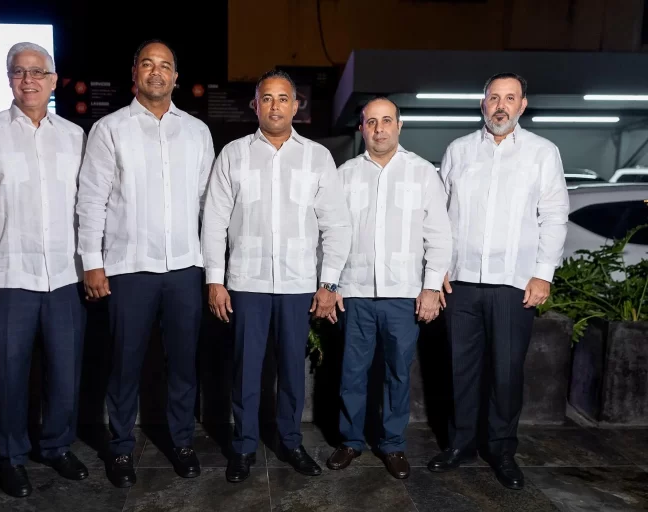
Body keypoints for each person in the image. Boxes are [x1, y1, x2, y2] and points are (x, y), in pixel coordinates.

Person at [0, 42, 88, 498]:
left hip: (65, 276)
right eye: (19, 72)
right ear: (9, 79)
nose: (28, 80)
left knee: (65, 374)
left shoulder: (75, 136)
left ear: (53, 80)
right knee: (8, 374)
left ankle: (56, 445)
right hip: (6, 277)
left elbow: (89, 208)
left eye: (37, 72)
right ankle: (10, 456)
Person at [76, 39, 214, 488]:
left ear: (176, 77)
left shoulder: (197, 132)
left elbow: (207, 204)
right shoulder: (109, 129)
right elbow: (91, 200)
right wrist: (92, 261)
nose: (157, 72)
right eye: (148, 64)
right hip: (128, 267)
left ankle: (182, 442)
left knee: (183, 364)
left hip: (185, 268)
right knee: (124, 363)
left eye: (165, 65)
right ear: (134, 72)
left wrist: (212, 267)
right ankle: (120, 447)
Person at [201, 69, 351, 483]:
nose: (275, 106)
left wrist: (328, 283)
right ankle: (243, 446)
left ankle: (290, 441)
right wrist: (215, 279)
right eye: (267, 98)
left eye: (283, 98)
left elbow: (336, 225)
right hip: (245, 283)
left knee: (291, 371)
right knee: (246, 370)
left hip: (298, 284)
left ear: (296, 105)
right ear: (255, 105)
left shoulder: (317, 157)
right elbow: (214, 222)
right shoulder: (233, 154)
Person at [427, 73, 569, 490]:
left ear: (522, 105)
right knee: (460, 369)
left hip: (513, 282)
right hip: (461, 282)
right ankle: (460, 444)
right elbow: (439, 214)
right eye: (494, 98)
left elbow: (555, 215)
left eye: (510, 98)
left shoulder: (542, 152)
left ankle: (502, 450)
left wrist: (543, 273)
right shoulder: (459, 150)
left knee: (506, 373)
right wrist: (437, 268)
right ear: (483, 103)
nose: (501, 106)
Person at [327, 98, 452, 479]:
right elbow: (331, 233)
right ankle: (350, 441)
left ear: (399, 126)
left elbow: (439, 236)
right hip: (355, 291)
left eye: (386, 121)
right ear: (361, 128)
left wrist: (431, 287)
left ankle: (393, 444)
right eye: (371, 122)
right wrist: (331, 283)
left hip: (403, 293)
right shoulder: (345, 175)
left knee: (398, 372)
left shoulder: (422, 173)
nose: (379, 129)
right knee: (352, 372)